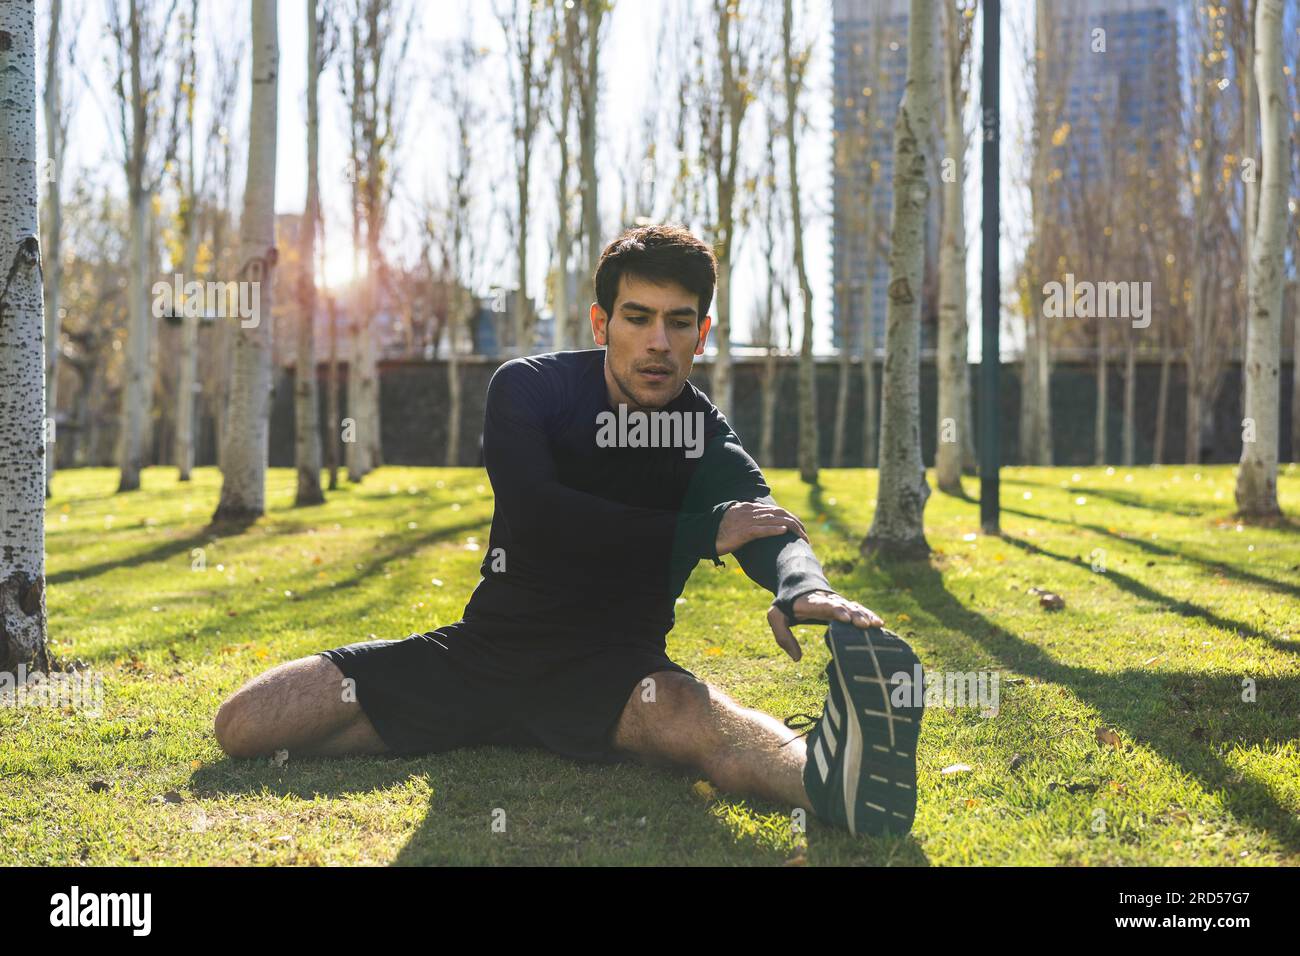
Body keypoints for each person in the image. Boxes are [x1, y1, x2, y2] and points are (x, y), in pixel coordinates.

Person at [213, 224, 924, 837]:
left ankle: (834, 780)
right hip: (483, 658)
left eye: (679, 322)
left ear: (701, 335)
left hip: (614, 675)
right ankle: (469, 722)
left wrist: (803, 587)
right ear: (599, 323)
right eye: (638, 316)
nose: (657, 342)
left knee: (699, 724)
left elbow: (764, 522)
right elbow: (540, 513)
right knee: (245, 725)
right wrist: (699, 533)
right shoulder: (530, 389)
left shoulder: (701, 434)